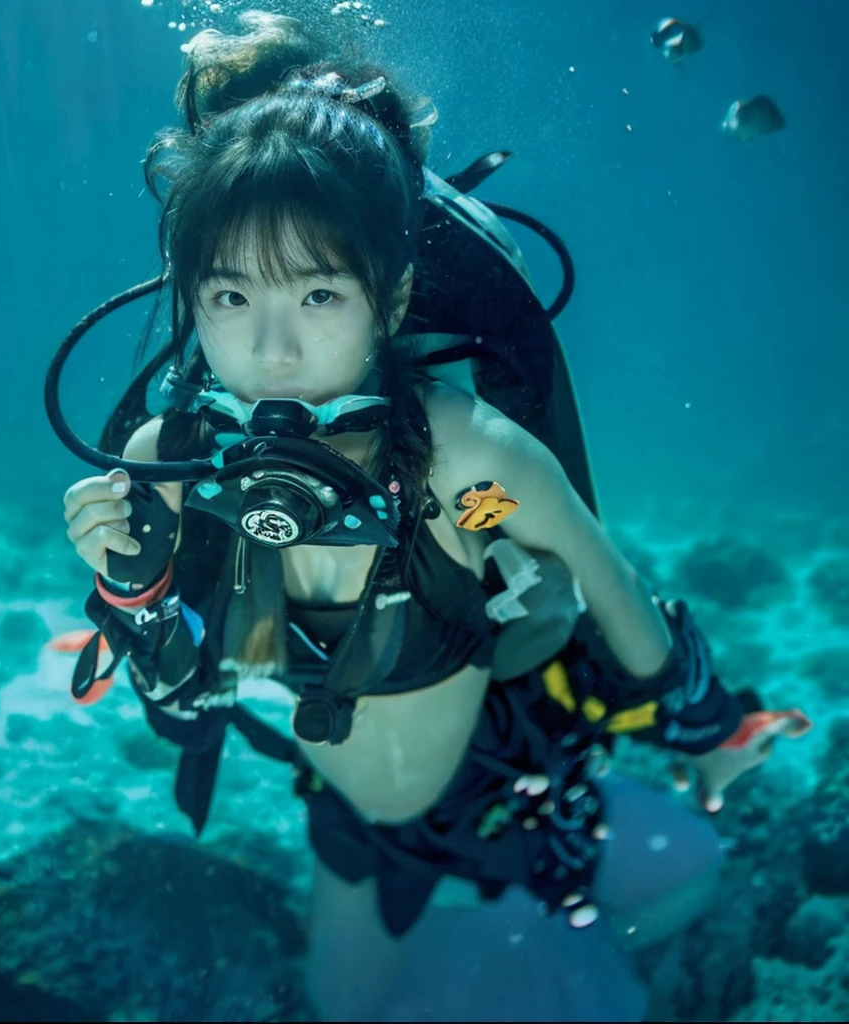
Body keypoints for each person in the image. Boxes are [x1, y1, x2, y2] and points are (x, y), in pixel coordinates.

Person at [59, 12, 810, 1021]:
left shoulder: (470, 462)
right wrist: (128, 594)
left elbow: (602, 580)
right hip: (344, 801)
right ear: (191, 299)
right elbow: (179, 692)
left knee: (687, 873)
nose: (272, 352)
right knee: (343, 1000)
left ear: (392, 294)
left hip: (501, 785)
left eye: (319, 295)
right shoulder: (170, 460)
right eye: (230, 300)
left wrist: (708, 726)